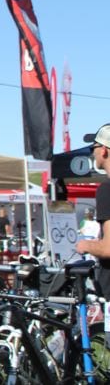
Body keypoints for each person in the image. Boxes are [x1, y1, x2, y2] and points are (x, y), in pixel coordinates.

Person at [76, 124, 110, 295]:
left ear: (104, 150)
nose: (92, 152)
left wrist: (86, 245)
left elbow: (108, 248)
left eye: (93, 147)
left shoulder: (107, 189)